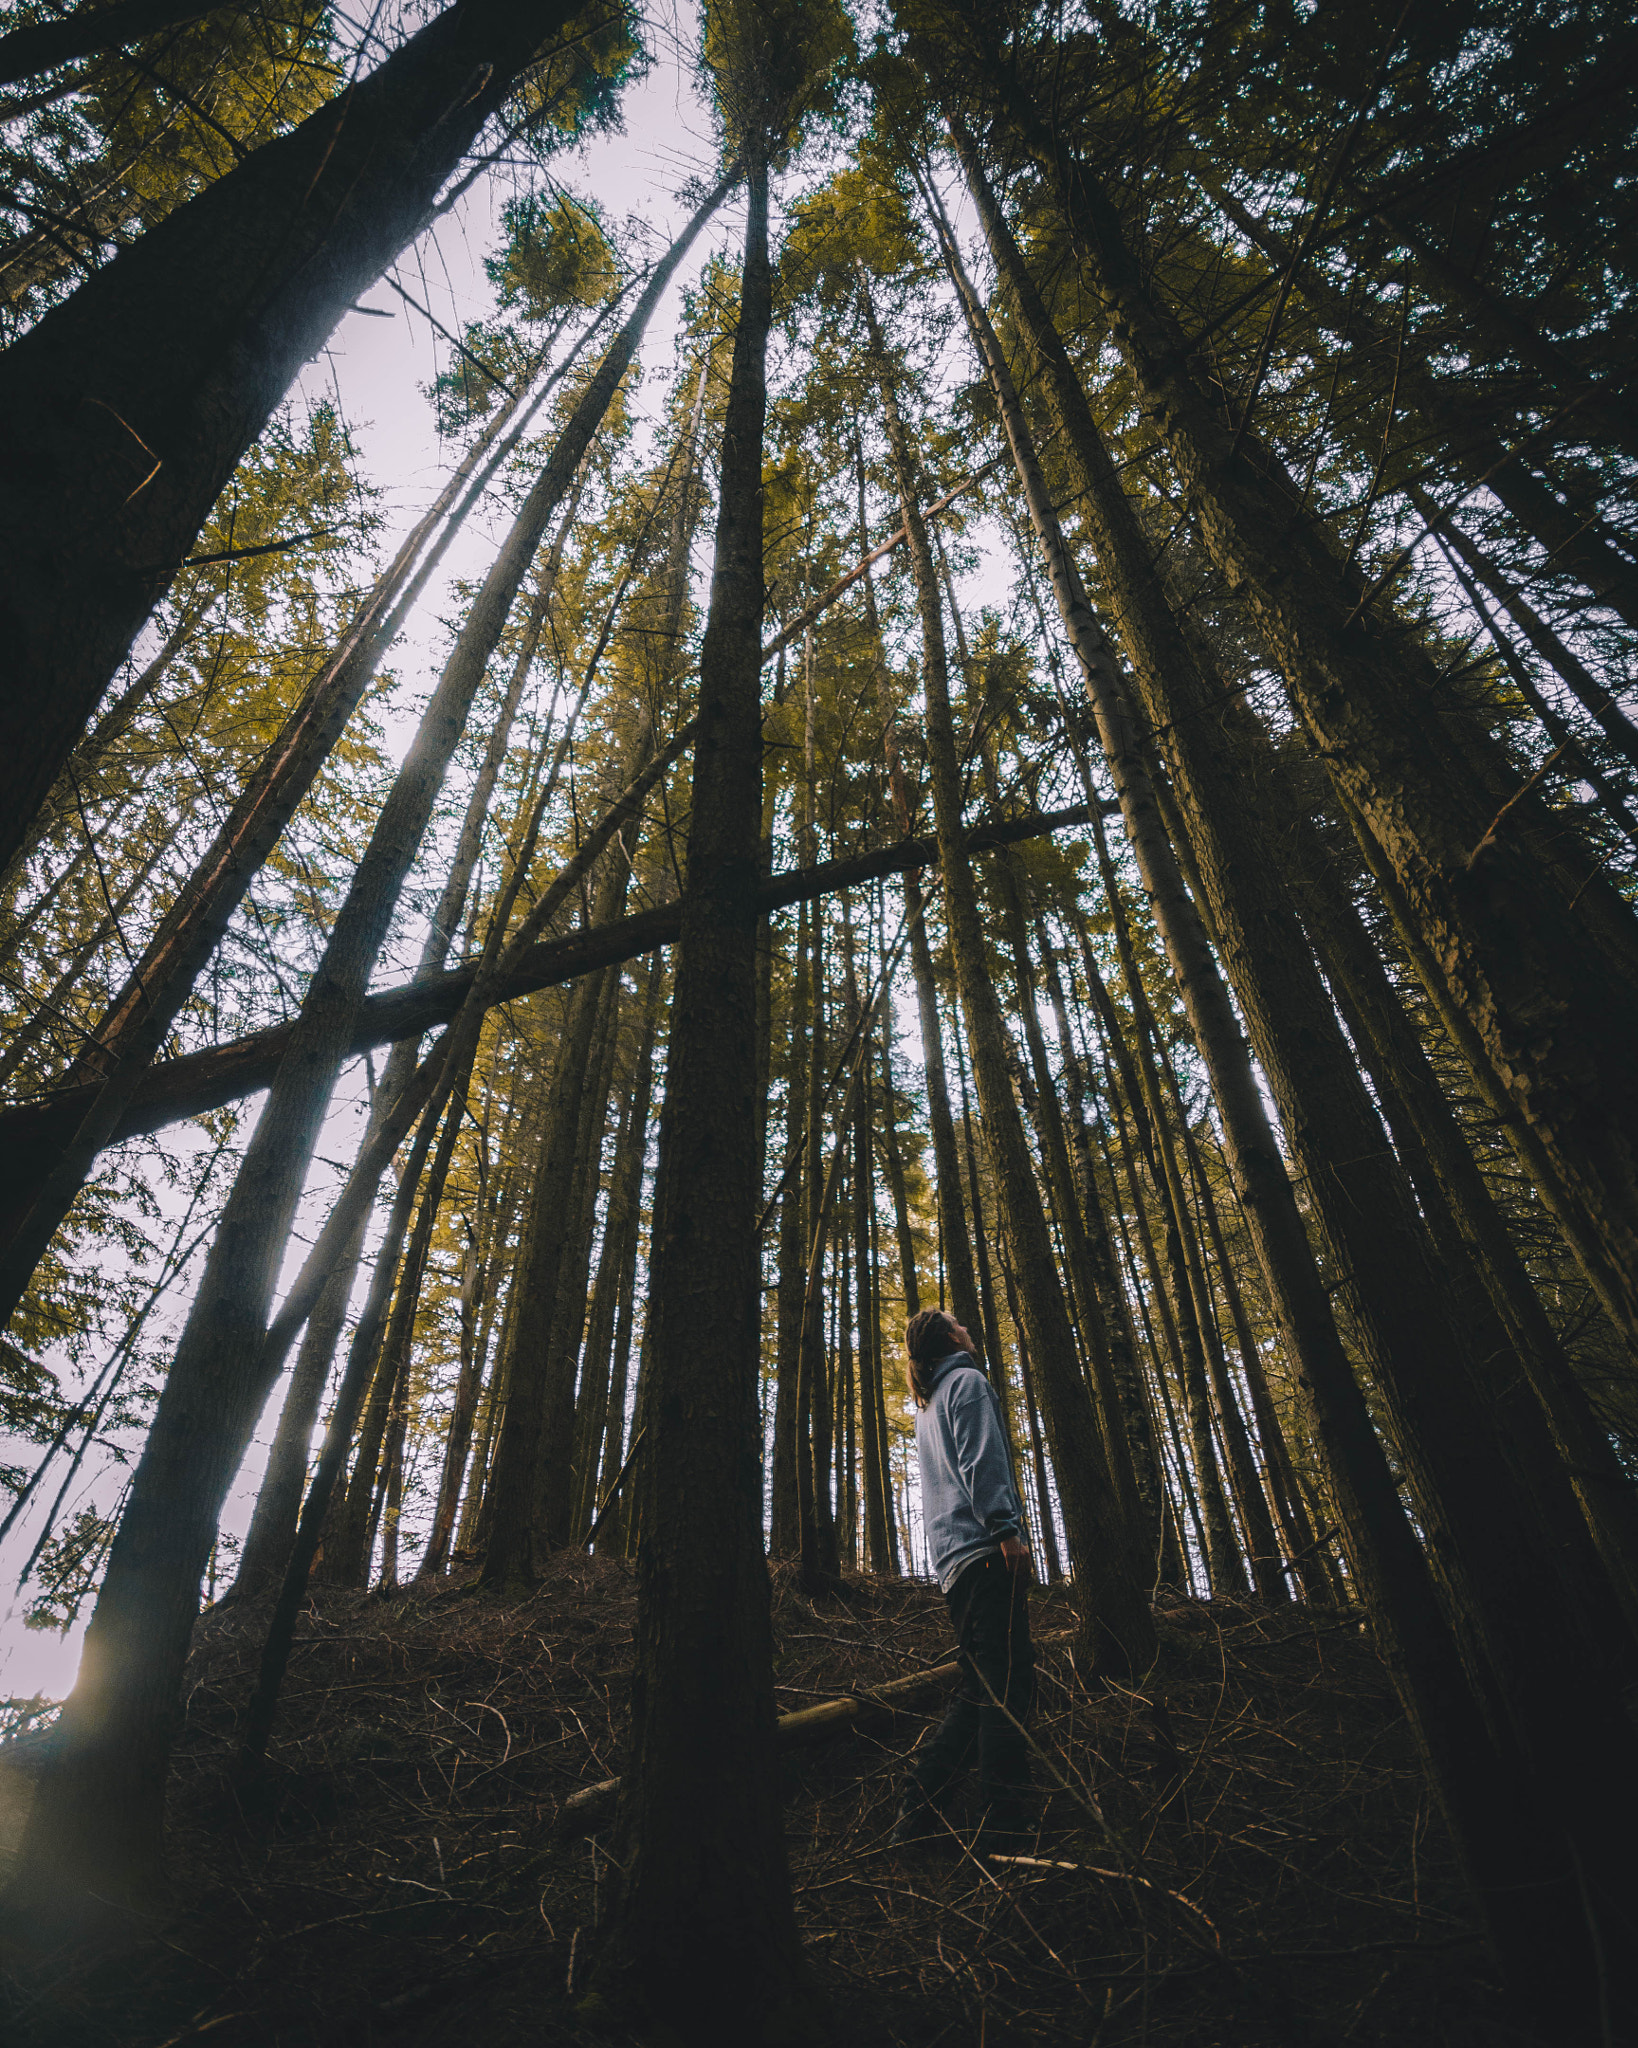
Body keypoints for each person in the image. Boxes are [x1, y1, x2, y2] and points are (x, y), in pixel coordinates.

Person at [890, 1308, 1036, 1855]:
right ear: (952, 1338)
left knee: (982, 1687)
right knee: (1005, 1690)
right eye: (961, 1324)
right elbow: (981, 1461)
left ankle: (920, 1808)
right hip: (983, 1553)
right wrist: (1006, 1531)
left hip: (955, 1565)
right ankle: (1006, 1826)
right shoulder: (967, 1382)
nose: (971, 1329)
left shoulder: (930, 1404)